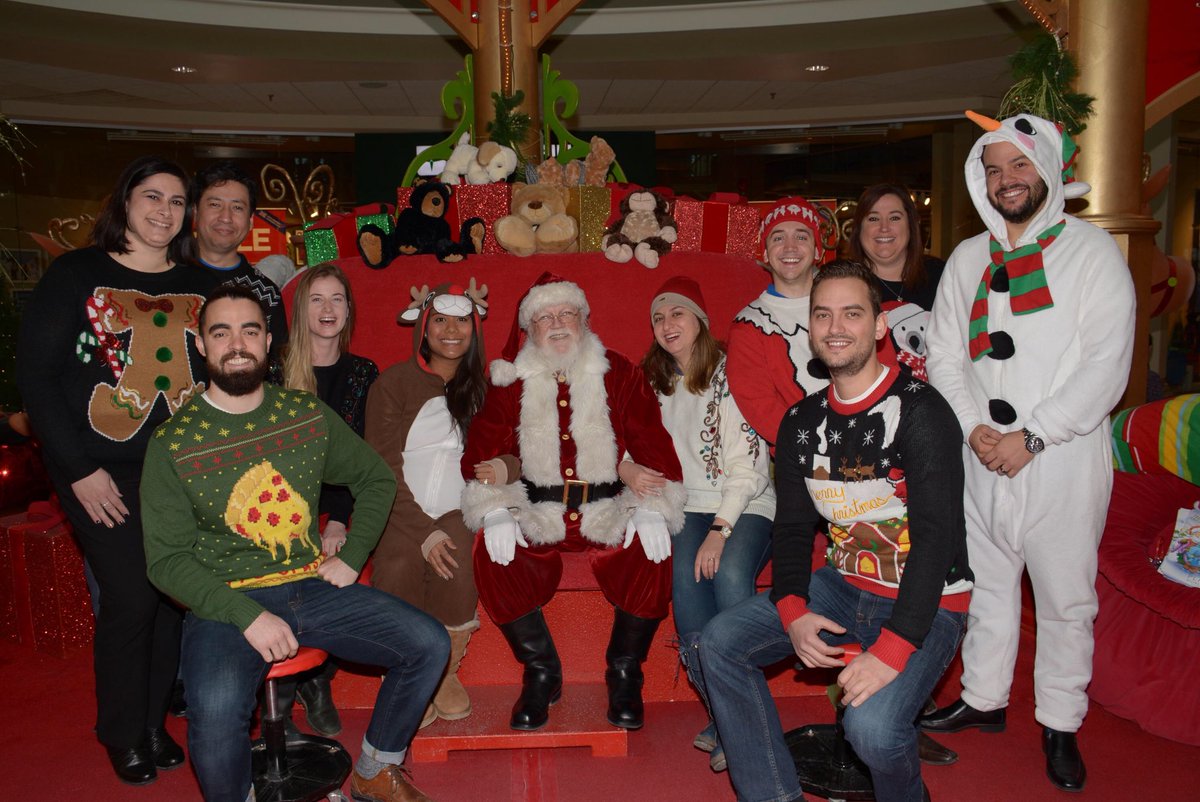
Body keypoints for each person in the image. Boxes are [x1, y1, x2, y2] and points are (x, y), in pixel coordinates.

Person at [141, 284, 447, 802]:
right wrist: (246, 615)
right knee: (213, 715)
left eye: (250, 331)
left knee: (429, 644)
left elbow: (376, 479)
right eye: (221, 332)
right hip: (225, 602)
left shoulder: (305, 414)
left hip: (310, 584)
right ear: (201, 343)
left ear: (268, 342)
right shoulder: (173, 443)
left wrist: (353, 555)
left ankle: (376, 769)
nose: (237, 344)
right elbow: (167, 562)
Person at [700, 260, 973, 802]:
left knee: (872, 730)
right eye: (822, 314)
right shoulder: (801, 422)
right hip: (843, 586)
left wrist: (893, 649)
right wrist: (792, 610)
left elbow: (937, 542)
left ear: (879, 325)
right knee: (720, 643)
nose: (836, 327)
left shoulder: (922, 412)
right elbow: (793, 528)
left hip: (929, 600)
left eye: (852, 313)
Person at [922, 112, 1136, 793]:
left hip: (1061, 459)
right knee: (987, 586)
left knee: (1066, 599)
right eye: (993, 169)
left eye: (1019, 165)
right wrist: (970, 427)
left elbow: (1107, 365)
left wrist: (1035, 435)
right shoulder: (967, 259)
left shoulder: (1092, 253)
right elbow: (944, 355)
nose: (1006, 180)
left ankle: (1060, 721)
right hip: (982, 456)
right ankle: (983, 699)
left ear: (1046, 169)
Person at [16, 155, 217, 784]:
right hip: (97, 470)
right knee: (130, 597)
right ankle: (121, 730)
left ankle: (153, 724)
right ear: (125, 201)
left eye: (177, 201)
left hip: (178, 472)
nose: (164, 211)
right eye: (152, 196)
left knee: (170, 600)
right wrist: (77, 470)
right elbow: (36, 378)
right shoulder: (77, 273)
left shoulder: (199, 283)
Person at [460, 272, 685, 732]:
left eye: (567, 313)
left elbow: (653, 445)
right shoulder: (510, 379)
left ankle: (625, 671)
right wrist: (496, 508)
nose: (558, 324)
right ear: (530, 328)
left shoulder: (618, 372)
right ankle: (541, 671)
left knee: (651, 549)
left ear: (584, 320)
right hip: (539, 508)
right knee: (491, 549)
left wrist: (650, 505)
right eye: (545, 317)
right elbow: (479, 455)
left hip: (606, 505)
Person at [636, 275, 775, 773]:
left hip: (745, 499)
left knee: (731, 576)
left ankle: (742, 721)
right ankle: (726, 713)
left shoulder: (732, 373)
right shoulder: (652, 383)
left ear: (700, 320)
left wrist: (720, 530)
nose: (667, 324)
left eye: (677, 313)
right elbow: (627, 444)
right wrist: (628, 471)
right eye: (658, 317)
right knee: (688, 597)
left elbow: (748, 468)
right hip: (685, 504)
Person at [366, 281, 499, 727]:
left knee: (457, 565)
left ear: (474, 329)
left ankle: (444, 671)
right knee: (398, 566)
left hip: (459, 507)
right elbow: (380, 466)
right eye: (440, 319)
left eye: (462, 320)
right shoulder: (393, 383)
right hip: (399, 508)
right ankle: (406, 672)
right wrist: (423, 531)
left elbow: (514, 449)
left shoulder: (485, 389)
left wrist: (504, 467)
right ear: (424, 326)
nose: (451, 330)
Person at [270, 262, 381, 737]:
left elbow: (364, 457)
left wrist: (338, 519)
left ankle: (316, 678)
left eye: (337, 298)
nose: (328, 308)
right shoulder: (274, 370)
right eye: (316, 298)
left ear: (349, 310)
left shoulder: (363, 372)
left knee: (348, 579)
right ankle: (280, 693)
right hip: (275, 510)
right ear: (300, 309)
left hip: (338, 510)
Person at [727, 196, 831, 447]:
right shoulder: (750, 324)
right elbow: (760, 407)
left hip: (868, 444)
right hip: (803, 456)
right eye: (778, 238)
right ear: (765, 253)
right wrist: (816, 447)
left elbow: (878, 371)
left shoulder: (846, 303)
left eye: (801, 237)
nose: (790, 247)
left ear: (818, 250)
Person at [189, 161, 288, 358]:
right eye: (215, 204)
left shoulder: (265, 293)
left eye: (237, 207)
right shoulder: (165, 274)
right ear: (195, 212)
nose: (226, 217)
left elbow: (277, 366)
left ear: (250, 221)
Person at [849, 183, 945, 381]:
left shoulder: (941, 275)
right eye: (873, 218)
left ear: (911, 225)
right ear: (859, 229)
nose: (884, 228)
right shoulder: (846, 284)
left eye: (894, 218)